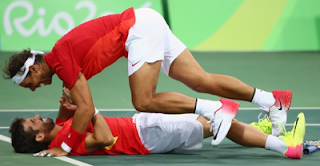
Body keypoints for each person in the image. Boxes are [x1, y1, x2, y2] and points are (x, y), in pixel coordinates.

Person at [2, 7, 292, 156]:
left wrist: (63, 148)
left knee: (143, 100)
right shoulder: (62, 62)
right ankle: (272, 101)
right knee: (201, 80)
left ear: (33, 70)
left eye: (30, 83)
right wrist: (69, 116)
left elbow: (87, 110)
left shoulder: (62, 63)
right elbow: (79, 109)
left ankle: (214, 109)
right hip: (146, 22)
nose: (34, 88)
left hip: (137, 31)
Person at [9, 104, 305, 159]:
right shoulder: (65, 140)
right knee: (218, 123)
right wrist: (90, 107)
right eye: (33, 122)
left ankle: (262, 130)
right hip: (147, 134)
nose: (37, 117)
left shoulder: (62, 134)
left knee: (208, 124)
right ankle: (284, 146)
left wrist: (68, 105)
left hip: (146, 130)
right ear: (38, 137)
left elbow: (65, 119)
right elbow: (102, 138)